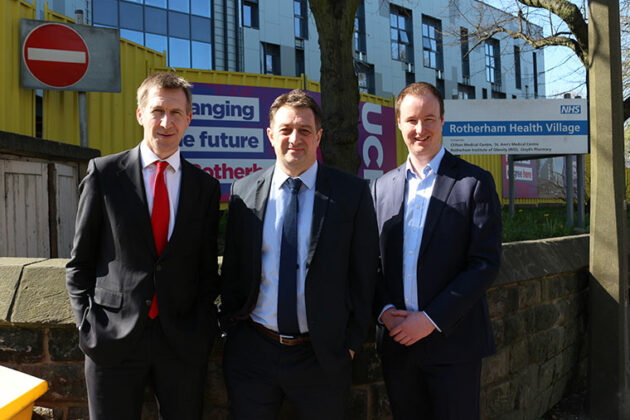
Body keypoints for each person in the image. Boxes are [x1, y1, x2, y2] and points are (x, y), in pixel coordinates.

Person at [66, 72, 220, 420]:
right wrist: (86, 324)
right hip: (111, 341)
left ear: (189, 119)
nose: (166, 122)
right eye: (157, 111)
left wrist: (202, 330)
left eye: (176, 113)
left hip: (181, 343)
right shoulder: (104, 174)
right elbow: (79, 263)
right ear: (140, 114)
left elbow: (207, 270)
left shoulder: (205, 188)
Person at [220, 89, 379, 420]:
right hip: (254, 353)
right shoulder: (244, 193)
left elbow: (364, 276)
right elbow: (233, 271)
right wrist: (233, 335)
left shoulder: (352, 194)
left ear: (318, 136)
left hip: (321, 357)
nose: (295, 138)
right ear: (270, 135)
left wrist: (350, 344)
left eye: (305, 130)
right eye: (286, 129)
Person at [371, 82, 502, 420]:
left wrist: (430, 320)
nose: (420, 129)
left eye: (429, 119)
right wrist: (384, 310)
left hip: (454, 345)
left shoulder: (474, 183)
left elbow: (484, 264)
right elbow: (370, 263)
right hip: (399, 346)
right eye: (412, 120)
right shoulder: (380, 188)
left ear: (443, 121)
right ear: (399, 123)